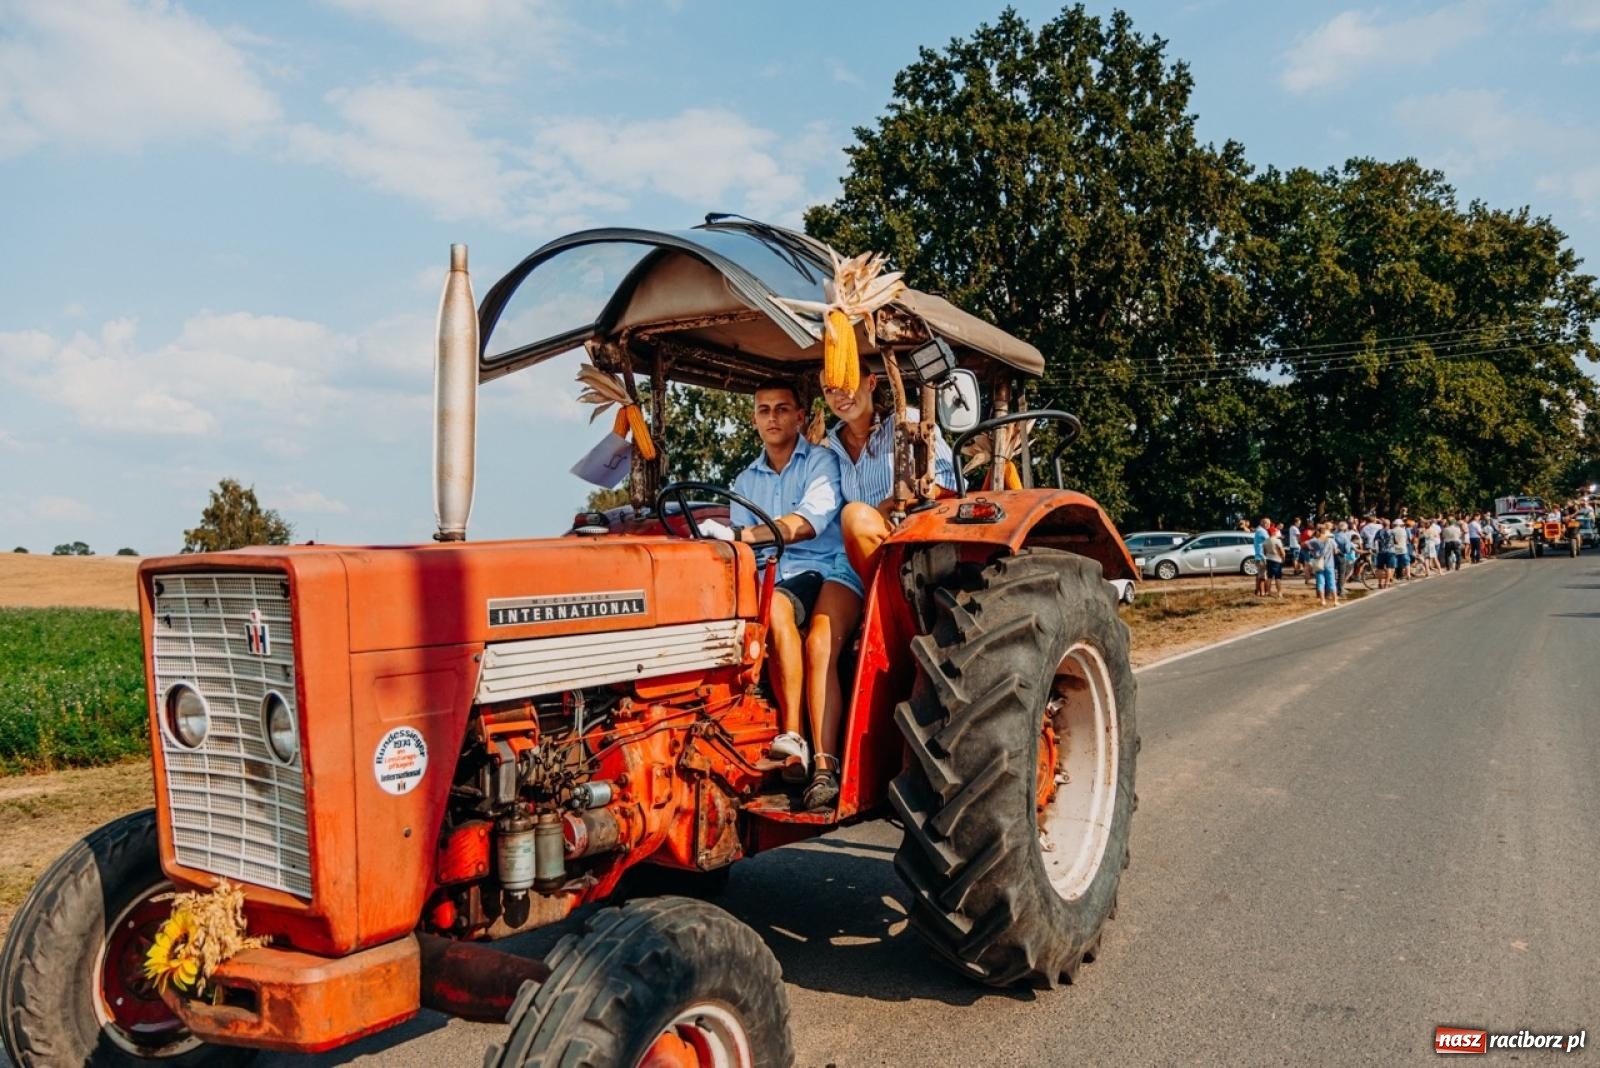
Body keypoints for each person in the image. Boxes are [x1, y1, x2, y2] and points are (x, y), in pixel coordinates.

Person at [717, 380, 860, 810]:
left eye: (782, 409)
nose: (772, 418)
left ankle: (794, 737)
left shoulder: (821, 462)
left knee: (778, 609)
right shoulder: (745, 478)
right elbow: (743, 549)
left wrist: (743, 535)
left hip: (814, 569)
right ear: (755, 419)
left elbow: (807, 524)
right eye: (764, 410)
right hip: (766, 577)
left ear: (800, 416)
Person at [819, 365, 959, 583]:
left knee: (855, 515)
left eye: (847, 384)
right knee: (822, 617)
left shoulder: (907, 423)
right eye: (829, 390)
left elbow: (951, 483)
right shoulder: (830, 446)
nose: (839, 396)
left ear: (871, 383)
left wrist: (893, 503)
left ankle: (888, 599)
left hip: (906, 546)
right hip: (852, 558)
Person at [1262, 524, 1285, 597]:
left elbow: (1264, 552)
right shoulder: (1277, 541)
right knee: (1278, 577)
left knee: (1269, 577)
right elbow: (1282, 552)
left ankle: (1268, 592)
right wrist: (1283, 558)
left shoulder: (1265, 541)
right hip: (1277, 560)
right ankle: (1279, 593)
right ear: (1273, 532)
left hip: (1269, 559)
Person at [1253, 516, 1272, 596]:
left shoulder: (1258, 530)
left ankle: (1257, 591)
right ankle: (1262, 593)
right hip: (1262, 557)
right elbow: (1269, 541)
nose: (1269, 526)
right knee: (1263, 576)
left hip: (1258, 556)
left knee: (1259, 575)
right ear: (1265, 523)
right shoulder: (1262, 531)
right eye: (1269, 524)